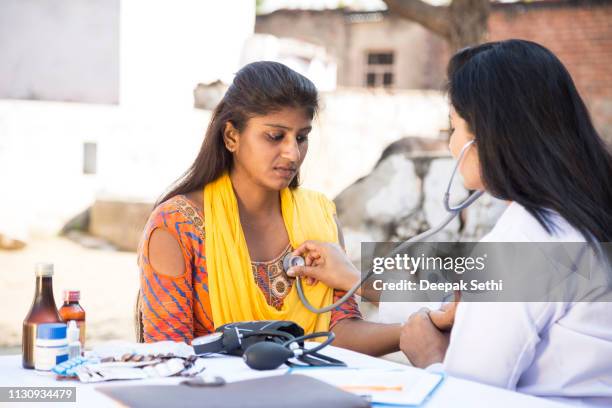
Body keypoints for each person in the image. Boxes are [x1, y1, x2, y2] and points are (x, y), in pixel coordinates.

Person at [287, 40, 612, 405]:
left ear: (486, 138)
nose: (450, 144)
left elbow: (466, 397)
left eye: (453, 128)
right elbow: (465, 306)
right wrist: (352, 279)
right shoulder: (583, 212)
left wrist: (429, 357)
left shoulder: (526, 240)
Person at [137, 61, 404, 356]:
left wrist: (411, 333)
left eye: (301, 137)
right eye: (275, 136)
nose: (292, 153)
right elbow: (168, 357)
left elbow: (334, 333)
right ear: (231, 136)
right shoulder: (177, 225)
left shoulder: (319, 216)